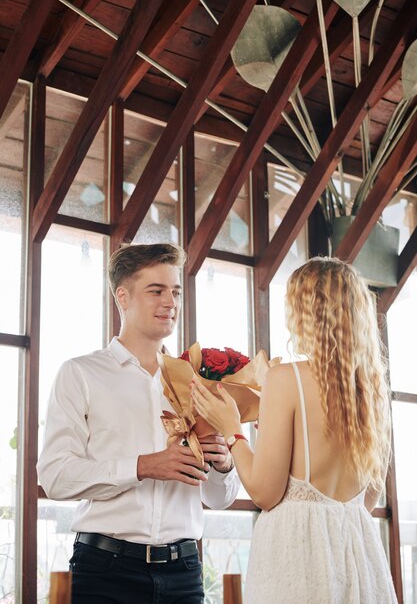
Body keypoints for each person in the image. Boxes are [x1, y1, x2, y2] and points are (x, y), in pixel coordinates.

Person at [37, 243, 239, 604]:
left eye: (175, 291)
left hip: (185, 574)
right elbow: (55, 477)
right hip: (105, 572)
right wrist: (143, 467)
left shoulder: (199, 381)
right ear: (123, 296)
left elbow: (219, 499)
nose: (170, 302)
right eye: (156, 291)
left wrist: (224, 466)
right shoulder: (80, 374)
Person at [192, 256, 398, 604]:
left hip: (298, 551)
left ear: (306, 311)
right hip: (358, 553)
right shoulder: (373, 390)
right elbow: (368, 499)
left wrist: (232, 429)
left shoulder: (287, 378)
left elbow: (264, 493)